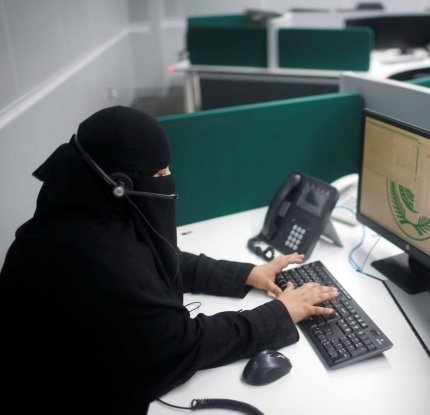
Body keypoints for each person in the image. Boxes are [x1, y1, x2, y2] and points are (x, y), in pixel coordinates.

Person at [0, 106, 338, 414]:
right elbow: (181, 346)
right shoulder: (94, 255)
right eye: (161, 173)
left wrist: (246, 273)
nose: (169, 178)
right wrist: (281, 313)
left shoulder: (82, 208)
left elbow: (156, 256)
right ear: (120, 184)